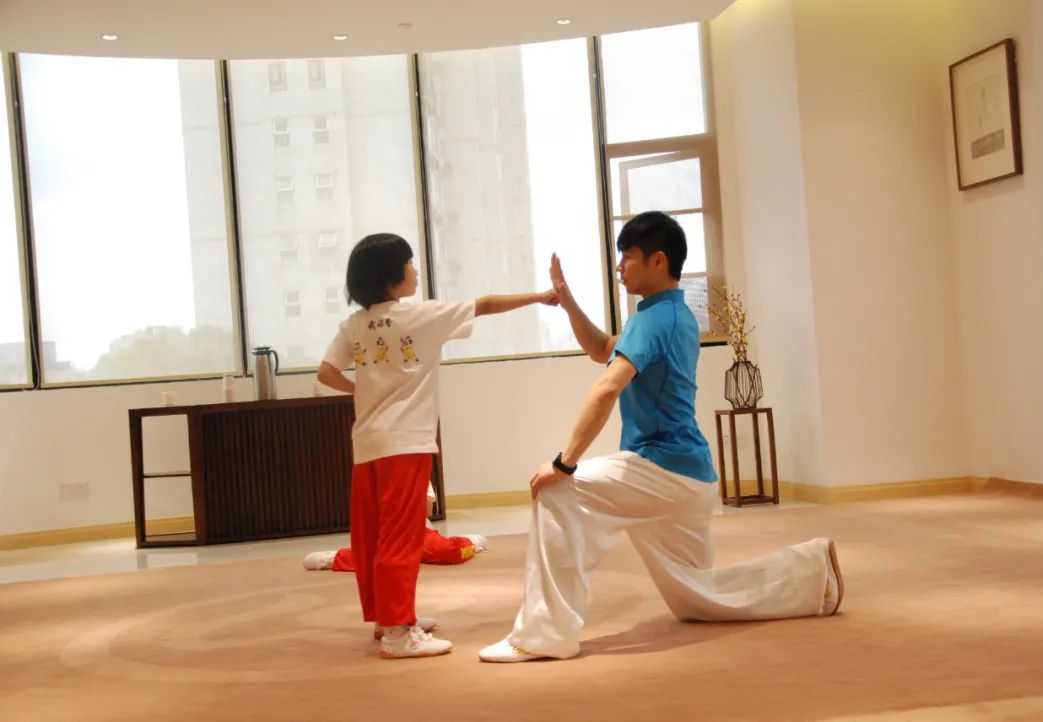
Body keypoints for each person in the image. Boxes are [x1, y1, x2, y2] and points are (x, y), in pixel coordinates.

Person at [478, 212, 844, 663]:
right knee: (695, 597)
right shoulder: (671, 315)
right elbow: (601, 350)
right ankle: (810, 573)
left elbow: (607, 387)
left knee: (557, 491)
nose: (619, 267)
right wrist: (568, 302)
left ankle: (543, 635)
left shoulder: (654, 321)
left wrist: (563, 462)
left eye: (627, 257)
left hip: (660, 469)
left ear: (658, 260)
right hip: (687, 477)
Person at [317, 232, 555, 660]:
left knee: (372, 536)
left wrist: (362, 391)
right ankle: (398, 633)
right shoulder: (418, 316)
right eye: (410, 263)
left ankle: (387, 617)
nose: (415, 270)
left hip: (367, 442)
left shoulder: (354, 325)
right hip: (406, 440)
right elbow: (485, 305)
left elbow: (325, 372)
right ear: (392, 275)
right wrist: (541, 297)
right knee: (401, 536)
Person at [303, 484, 488, 571]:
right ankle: (331, 558)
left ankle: (470, 541)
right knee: (375, 560)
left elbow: (426, 511)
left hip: (416, 530)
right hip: (388, 532)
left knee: (448, 551)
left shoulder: (417, 465)